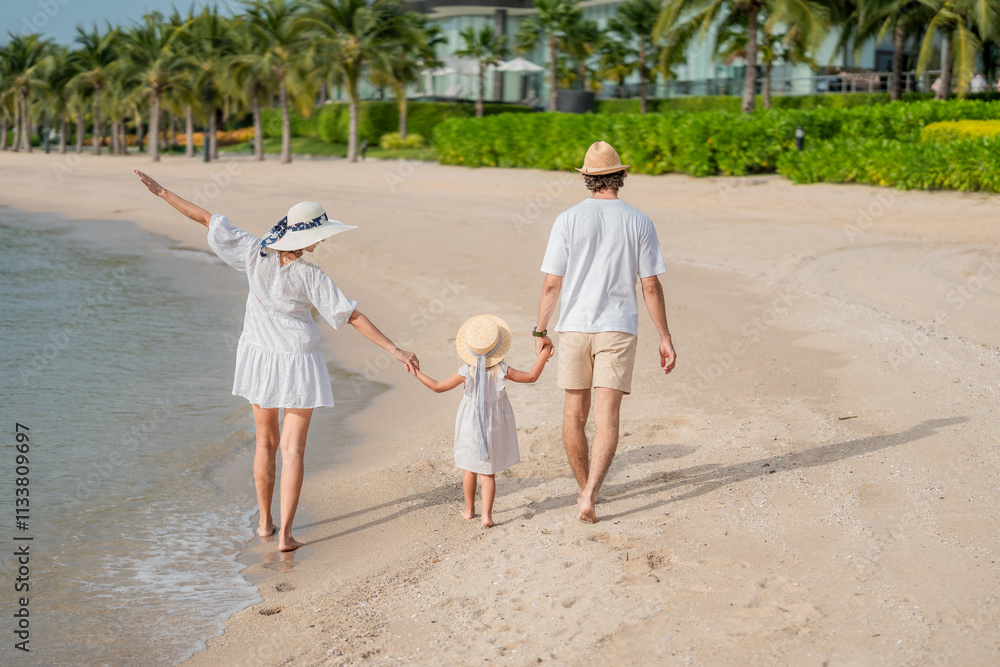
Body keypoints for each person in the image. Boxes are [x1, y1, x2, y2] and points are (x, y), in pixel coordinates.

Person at [134, 170, 419, 551]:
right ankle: (286, 535)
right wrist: (396, 351)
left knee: (264, 444)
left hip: (259, 357)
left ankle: (264, 524)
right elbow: (352, 317)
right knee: (293, 450)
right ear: (307, 237)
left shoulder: (254, 252)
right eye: (320, 235)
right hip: (299, 361)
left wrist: (162, 192)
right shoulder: (311, 275)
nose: (322, 240)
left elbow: (204, 218)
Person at [534, 141, 676, 523]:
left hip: (574, 327)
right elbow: (650, 286)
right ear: (620, 176)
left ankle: (584, 488)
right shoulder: (639, 221)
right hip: (618, 327)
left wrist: (540, 330)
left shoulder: (567, 219)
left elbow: (551, 284)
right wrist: (665, 336)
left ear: (587, 178)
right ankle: (591, 493)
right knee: (607, 418)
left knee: (573, 414)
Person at [413, 315, 552, 527]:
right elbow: (532, 377)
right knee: (488, 472)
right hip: (494, 426)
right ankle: (487, 516)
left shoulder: (465, 372)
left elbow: (438, 387)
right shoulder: (502, 370)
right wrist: (544, 352)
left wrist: (416, 373)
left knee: (469, 468)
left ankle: (469, 511)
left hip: (470, 425)